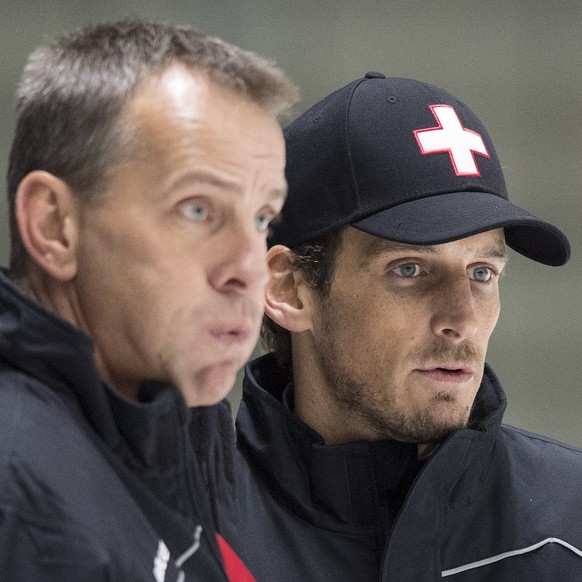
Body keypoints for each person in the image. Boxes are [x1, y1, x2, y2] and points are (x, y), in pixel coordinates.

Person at [227, 72, 582, 580]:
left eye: (482, 272)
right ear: (289, 289)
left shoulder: (570, 524)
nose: (461, 320)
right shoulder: (184, 536)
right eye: (409, 269)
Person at [0, 19, 297, 581]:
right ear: (55, 226)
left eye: (262, 218)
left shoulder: (171, 419)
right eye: (198, 209)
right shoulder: (22, 506)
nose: (250, 267)